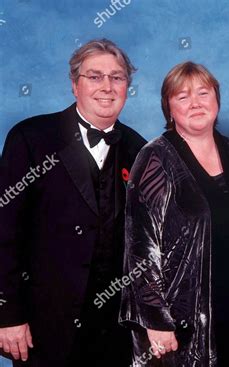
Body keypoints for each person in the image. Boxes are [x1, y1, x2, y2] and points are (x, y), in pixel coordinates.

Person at [0, 39, 146, 366]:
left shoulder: (140, 150)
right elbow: (4, 233)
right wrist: (6, 313)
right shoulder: (31, 137)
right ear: (74, 84)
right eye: (95, 76)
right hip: (44, 326)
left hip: (115, 333)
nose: (107, 87)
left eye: (117, 77)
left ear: (127, 86)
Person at [119, 61, 229, 366]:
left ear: (217, 100)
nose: (196, 103)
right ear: (168, 108)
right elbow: (140, 246)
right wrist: (155, 319)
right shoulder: (155, 157)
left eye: (203, 93)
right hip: (183, 317)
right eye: (183, 97)